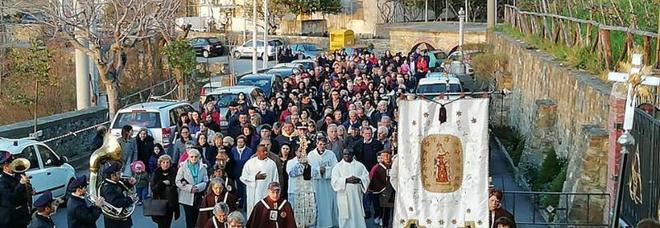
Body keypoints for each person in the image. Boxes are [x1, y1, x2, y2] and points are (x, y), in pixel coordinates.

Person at [331, 149, 370, 228]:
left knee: (357, 214)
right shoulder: (337, 167)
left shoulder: (360, 165)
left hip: (356, 196)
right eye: (345, 154)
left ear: (353, 155)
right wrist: (346, 180)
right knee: (345, 216)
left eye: (349, 154)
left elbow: (366, 177)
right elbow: (334, 181)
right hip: (344, 195)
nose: (347, 156)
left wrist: (359, 179)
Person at [307, 137, 339, 228]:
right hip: (316, 184)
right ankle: (318, 224)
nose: (322, 146)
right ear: (316, 144)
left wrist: (326, 170)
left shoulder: (331, 154)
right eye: (320, 144)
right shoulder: (311, 155)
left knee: (329, 203)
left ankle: (330, 223)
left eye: (324, 144)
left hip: (328, 184)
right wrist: (318, 170)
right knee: (318, 204)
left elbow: (335, 168)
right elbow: (308, 169)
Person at [240, 145, 279, 216]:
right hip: (253, 193)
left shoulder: (272, 164)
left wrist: (274, 192)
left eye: (266, 151)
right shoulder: (250, 163)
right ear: (257, 152)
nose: (266, 152)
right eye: (263, 151)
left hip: (266, 193)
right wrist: (254, 177)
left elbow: (275, 179)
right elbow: (243, 177)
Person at [176, 149, 209, 228]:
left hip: (198, 195)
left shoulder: (203, 167)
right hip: (187, 196)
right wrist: (190, 188)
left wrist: (197, 187)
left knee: (198, 217)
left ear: (199, 157)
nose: (194, 158)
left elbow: (206, 181)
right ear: (188, 157)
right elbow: (178, 181)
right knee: (189, 218)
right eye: (192, 157)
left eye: (196, 157)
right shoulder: (183, 167)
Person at [285, 144, 316, 227]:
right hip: (294, 192)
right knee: (295, 215)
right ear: (295, 152)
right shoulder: (290, 162)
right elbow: (292, 173)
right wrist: (301, 164)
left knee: (308, 215)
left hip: (307, 192)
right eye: (300, 151)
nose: (302, 153)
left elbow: (314, 174)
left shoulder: (310, 162)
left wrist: (307, 165)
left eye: (303, 151)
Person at [0, 151, 31, 228]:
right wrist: (21, 184)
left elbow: (23, 190)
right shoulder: (2, 181)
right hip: (11, 219)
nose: (15, 165)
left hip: (22, 215)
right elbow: (12, 197)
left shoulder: (17, 174)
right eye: (12, 163)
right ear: (5, 167)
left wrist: (29, 189)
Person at [100, 162, 137, 228]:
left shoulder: (114, 182)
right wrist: (130, 199)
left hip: (121, 220)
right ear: (112, 176)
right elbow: (115, 202)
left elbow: (121, 189)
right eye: (118, 173)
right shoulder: (108, 188)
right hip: (115, 223)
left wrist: (130, 184)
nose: (120, 175)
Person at [151, 155, 180, 228]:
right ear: (160, 163)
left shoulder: (173, 172)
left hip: (170, 203)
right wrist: (163, 183)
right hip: (159, 203)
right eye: (163, 162)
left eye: (167, 162)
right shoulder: (156, 173)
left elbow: (176, 184)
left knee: (167, 224)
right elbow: (153, 189)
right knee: (161, 224)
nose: (165, 164)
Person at [368, 150, 394, 227]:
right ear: (381, 158)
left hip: (391, 192)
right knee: (383, 210)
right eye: (385, 156)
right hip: (381, 194)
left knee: (389, 211)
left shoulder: (392, 166)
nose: (387, 157)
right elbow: (373, 181)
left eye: (389, 155)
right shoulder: (377, 168)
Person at [228, 135, 253, 209]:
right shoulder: (233, 150)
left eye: (241, 142)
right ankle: (240, 203)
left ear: (244, 143)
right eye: (238, 142)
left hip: (246, 173)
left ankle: (245, 205)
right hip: (236, 173)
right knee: (238, 189)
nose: (240, 143)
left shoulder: (249, 151)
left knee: (245, 189)